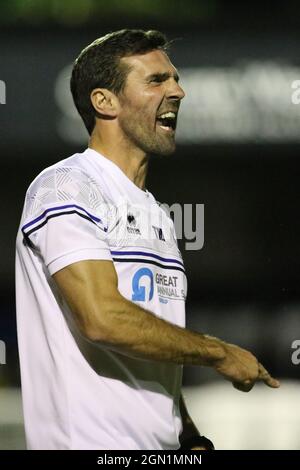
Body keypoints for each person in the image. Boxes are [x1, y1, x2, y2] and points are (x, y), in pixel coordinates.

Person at [15, 29, 280, 451]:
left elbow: (150, 340)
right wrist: (217, 352)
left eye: (174, 79)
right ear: (105, 102)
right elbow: (101, 318)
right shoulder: (66, 186)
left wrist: (186, 431)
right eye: (157, 80)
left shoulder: (157, 214)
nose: (178, 91)